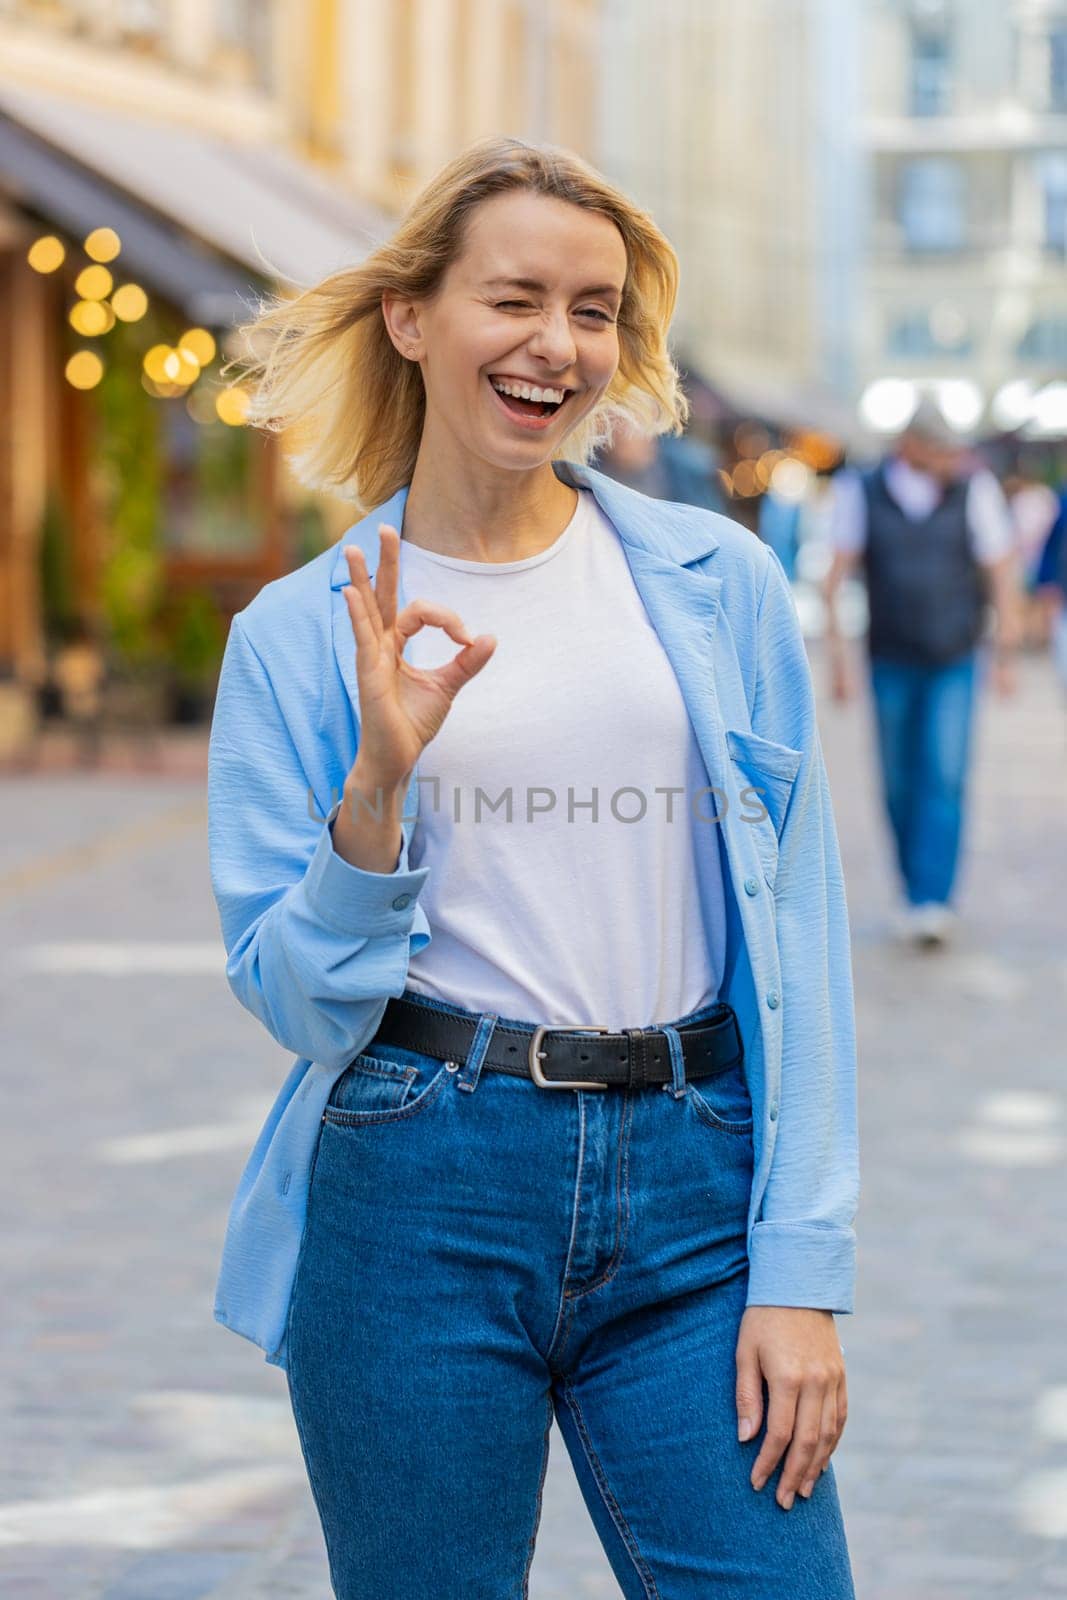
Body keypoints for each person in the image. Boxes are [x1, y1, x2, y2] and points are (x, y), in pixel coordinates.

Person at [207, 137, 859, 1599]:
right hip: (416, 1184)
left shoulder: (716, 586)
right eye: (514, 298)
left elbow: (801, 947)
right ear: (411, 316)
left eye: (594, 310)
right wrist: (375, 788)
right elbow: (301, 1006)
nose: (556, 345)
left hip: (694, 1185)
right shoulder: (301, 633)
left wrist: (800, 1269)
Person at [823, 396, 1021, 949]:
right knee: (897, 779)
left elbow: (1001, 569)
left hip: (955, 657)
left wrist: (1005, 649)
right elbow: (834, 578)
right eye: (940, 450)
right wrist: (839, 661)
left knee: (945, 773)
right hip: (889, 658)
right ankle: (912, 889)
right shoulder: (858, 490)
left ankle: (934, 898)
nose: (950, 461)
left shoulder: (973, 491)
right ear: (910, 447)